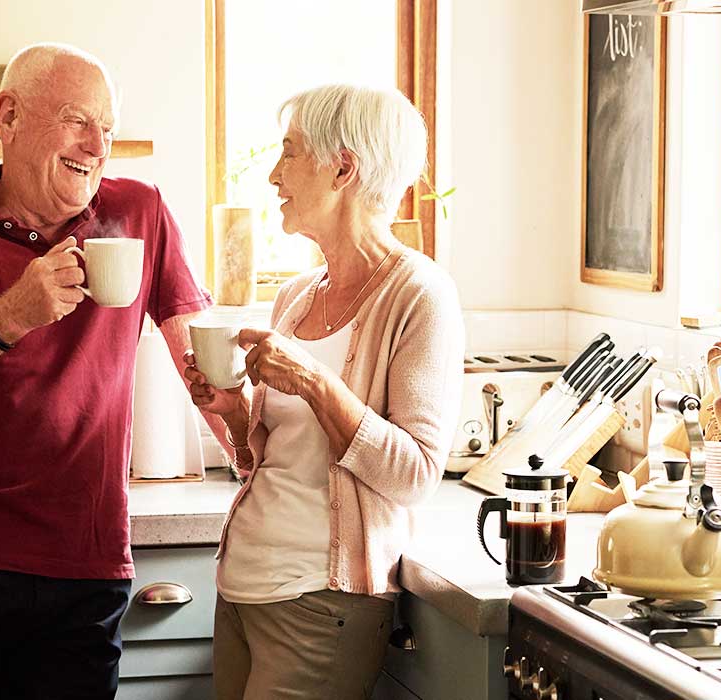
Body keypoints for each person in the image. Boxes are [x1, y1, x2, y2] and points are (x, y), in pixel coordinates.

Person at [0, 43, 214, 699]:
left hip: (84, 569)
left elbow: (200, 358)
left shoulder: (139, 214)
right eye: (80, 120)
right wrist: (10, 316)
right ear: (9, 115)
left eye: (108, 129)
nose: (98, 144)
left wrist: (261, 455)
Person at [181, 83, 464, 699]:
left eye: (289, 154)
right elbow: (270, 460)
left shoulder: (421, 296)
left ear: (343, 167)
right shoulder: (297, 295)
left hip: (320, 605)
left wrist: (313, 381)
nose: (274, 176)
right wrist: (235, 412)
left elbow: (416, 472)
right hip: (242, 589)